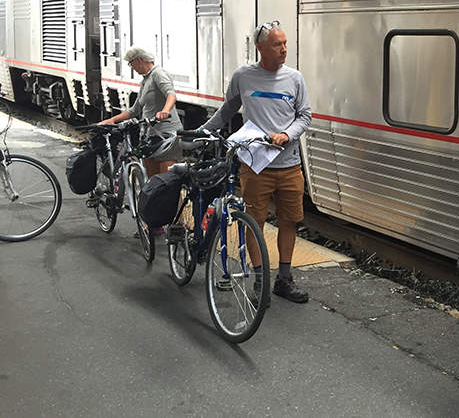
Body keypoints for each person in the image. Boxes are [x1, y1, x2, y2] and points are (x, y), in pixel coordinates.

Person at [200, 21, 312, 304]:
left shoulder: (295, 78)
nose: (284, 49)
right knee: (254, 223)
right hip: (255, 165)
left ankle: (284, 280)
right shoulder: (243, 76)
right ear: (260, 48)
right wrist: (203, 132)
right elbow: (228, 109)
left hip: (289, 165)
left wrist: (287, 134)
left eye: (286, 43)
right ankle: (261, 282)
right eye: (278, 44)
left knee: (290, 221)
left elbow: (305, 116)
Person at [99, 45, 183, 178]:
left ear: (139, 60)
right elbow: (135, 109)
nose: (132, 68)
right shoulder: (145, 80)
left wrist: (165, 111)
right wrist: (113, 120)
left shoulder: (158, 74)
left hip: (166, 136)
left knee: (167, 181)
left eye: (131, 64)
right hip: (150, 135)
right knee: (151, 182)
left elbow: (171, 95)